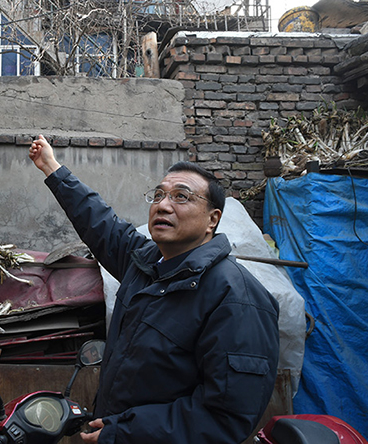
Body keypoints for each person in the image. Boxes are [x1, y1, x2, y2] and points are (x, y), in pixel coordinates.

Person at [28, 135, 280, 444]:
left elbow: (225, 418)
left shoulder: (237, 298)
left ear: (212, 220)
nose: (163, 204)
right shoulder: (147, 263)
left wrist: (125, 432)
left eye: (181, 197)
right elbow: (101, 223)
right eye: (158, 194)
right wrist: (52, 168)